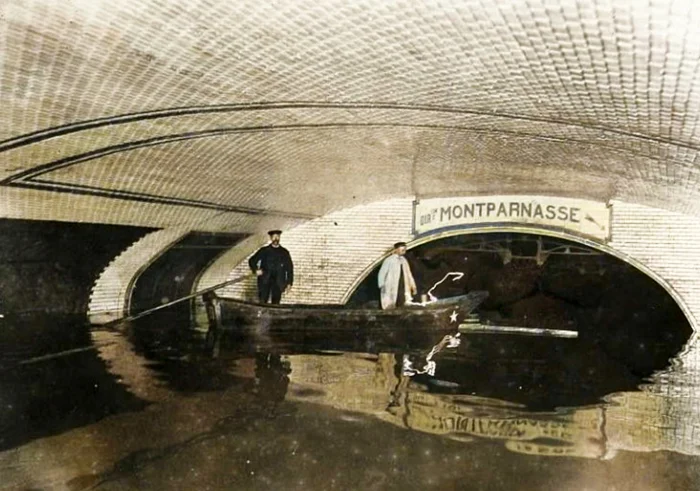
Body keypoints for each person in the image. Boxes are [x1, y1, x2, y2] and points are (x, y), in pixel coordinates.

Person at [248, 230, 294, 304]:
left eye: (277, 237)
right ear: (270, 238)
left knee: (276, 303)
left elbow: (289, 268)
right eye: (274, 237)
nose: (276, 239)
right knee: (263, 302)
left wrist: (289, 283)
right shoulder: (264, 251)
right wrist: (256, 270)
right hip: (265, 281)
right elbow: (252, 261)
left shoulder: (284, 252)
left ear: (279, 238)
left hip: (278, 282)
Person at [377, 241, 417, 309]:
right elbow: (382, 272)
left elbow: (409, 274)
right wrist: (381, 284)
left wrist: (413, 285)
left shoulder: (404, 260)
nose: (404, 251)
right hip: (392, 283)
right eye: (402, 250)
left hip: (402, 283)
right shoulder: (389, 260)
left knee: (402, 299)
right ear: (396, 250)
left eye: (404, 250)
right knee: (391, 300)